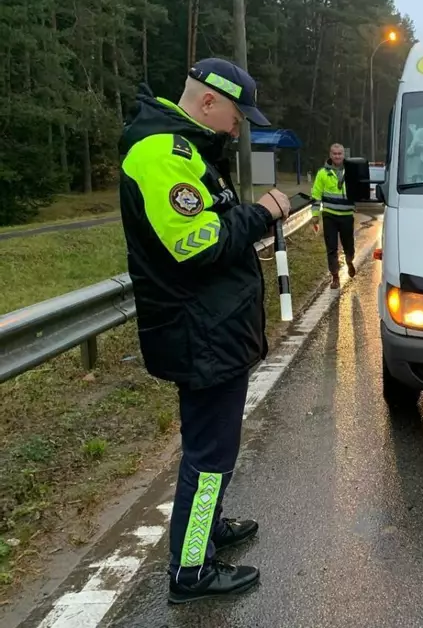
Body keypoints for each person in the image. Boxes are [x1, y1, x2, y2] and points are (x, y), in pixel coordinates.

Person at [118, 57, 291, 604]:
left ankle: (206, 526)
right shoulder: (160, 152)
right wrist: (262, 213)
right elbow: (196, 243)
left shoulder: (186, 148)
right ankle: (190, 569)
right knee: (210, 454)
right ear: (210, 102)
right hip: (200, 331)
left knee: (215, 446)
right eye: (238, 115)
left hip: (211, 326)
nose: (239, 127)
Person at [311, 143, 356, 288]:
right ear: (330, 155)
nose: (337, 156)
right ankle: (335, 277)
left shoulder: (351, 171)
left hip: (347, 215)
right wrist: (315, 215)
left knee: (348, 245)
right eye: (334, 153)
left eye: (340, 153)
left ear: (344, 155)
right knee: (331, 247)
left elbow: (360, 189)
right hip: (329, 215)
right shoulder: (322, 173)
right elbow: (316, 195)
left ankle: (349, 261)